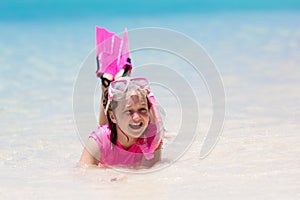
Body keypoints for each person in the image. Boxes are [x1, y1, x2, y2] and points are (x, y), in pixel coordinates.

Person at [79, 27, 163, 168]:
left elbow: (149, 172)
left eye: (143, 109)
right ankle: (110, 83)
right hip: (111, 131)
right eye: (130, 111)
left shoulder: (151, 140)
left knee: (145, 125)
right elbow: (82, 173)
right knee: (109, 125)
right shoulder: (98, 140)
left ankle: (113, 82)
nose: (136, 117)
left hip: (141, 130)